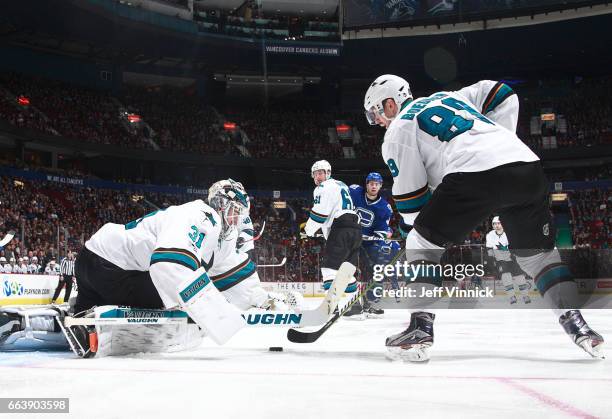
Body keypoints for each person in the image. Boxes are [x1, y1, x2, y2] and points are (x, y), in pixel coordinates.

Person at [363, 74, 604, 361]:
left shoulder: (398, 130)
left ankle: (420, 328)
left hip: (473, 175)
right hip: (524, 165)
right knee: (537, 257)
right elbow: (501, 92)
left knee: (420, 242)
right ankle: (579, 327)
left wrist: (411, 236)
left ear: (391, 105)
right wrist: (500, 141)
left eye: (375, 112)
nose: (376, 121)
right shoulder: (451, 96)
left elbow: (412, 207)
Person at [71, 180, 250, 356]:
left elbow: (229, 270)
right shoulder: (203, 215)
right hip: (111, 269)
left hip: (90, 258)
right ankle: (98, 326)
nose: (236, 220)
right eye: (235, 211)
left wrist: (260, 299)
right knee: (168, 299)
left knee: (81, 312)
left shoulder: (200, 220)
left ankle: (77, 317)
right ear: (221, 204)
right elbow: (169, 264)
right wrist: (208, 314)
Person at [303, 160, 362, 299]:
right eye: (315, 174)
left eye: (321, 173)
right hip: (355, 229)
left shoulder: (323, 187)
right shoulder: (341, 184)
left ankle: (330, 306)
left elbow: (319, 214)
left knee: (329, 268)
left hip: (341, 228)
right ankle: (355, 307)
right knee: (345, 272)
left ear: (328, 173)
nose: (318, 177)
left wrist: (308, 230)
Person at [348, 172, 400, 318]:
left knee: (377, 270)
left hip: (369, 242)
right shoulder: (354, 192)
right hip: (350, 238)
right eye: (371, 183)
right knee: (346, 267)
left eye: (376, 184)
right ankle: (350, 303)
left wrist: (385, 232)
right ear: (366, 184)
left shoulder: (384, 207)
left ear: (381, 186)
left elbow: (381, 230)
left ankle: (370, 303)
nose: (373, 186)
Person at [486, 216, 531, 305]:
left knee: (520, 277)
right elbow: (489, 249)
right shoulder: (490, 235)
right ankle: (512, 296)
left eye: (498, 223)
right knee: (506, 277)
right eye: (494, 224)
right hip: (500, 260)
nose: (497, 225)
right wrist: (492, 260)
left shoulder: (509, 233)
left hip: (512, 259)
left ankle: (525, 295)